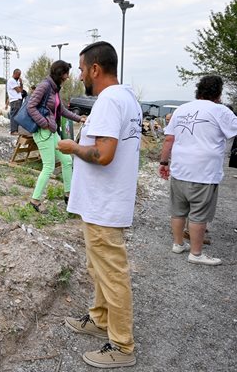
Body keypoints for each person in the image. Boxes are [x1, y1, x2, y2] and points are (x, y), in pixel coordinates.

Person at [58, 41, 141, 368]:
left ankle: (122, 346)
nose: (79, 75)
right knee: (101, 269)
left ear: (95, 68)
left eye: (81, 69)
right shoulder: (126, 98)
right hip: (104, 204)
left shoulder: (108, 100)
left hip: (105, 205)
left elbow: (103, 155)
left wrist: (72, 147)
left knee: (112, 273)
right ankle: (100, 318)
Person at [158, 75, 237, 265]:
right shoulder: (221, 111)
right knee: (198, 214)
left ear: (198, 90)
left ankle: (178, 244)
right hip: (204, 171)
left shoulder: (182, 109)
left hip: (179, 169)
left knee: (178, 210)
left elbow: (169, 139)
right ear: (218, 93)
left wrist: (163, 162)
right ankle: (196, 253)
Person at [28, 60, 85, 212]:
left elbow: (62, 110)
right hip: (43, 132)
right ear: (60, 73)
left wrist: (79, 118)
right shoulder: (45, 86)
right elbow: (30, 106)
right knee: (49, 166)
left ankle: (69, 195)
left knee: (67, 160)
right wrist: (44, 123)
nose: (68, 77)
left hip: (52, 132)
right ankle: (35, 200)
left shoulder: (54, 89)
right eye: (66, 74)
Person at [6, 68, 24, 135]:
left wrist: (21, 83)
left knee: (16, 115)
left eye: (20, 74)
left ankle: (15, 130)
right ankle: (13, 131)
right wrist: (20, 87)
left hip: (17, 100)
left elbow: (21, 90)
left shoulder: (16, 81)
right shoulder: (11, 81)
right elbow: (18, 90)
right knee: (14, 115)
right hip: (15, 100)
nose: (19, 76)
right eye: (18, 74)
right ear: (15, 74)